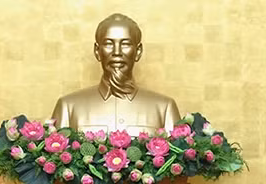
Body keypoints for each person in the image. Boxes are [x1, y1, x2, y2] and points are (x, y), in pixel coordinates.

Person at [51, 13, 180, 136]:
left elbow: (178, 156)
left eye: (125, 44)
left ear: (138, 51)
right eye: (108, 44)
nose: (117, 52)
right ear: (97, 51)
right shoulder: (68, 107)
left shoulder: (164, 108)